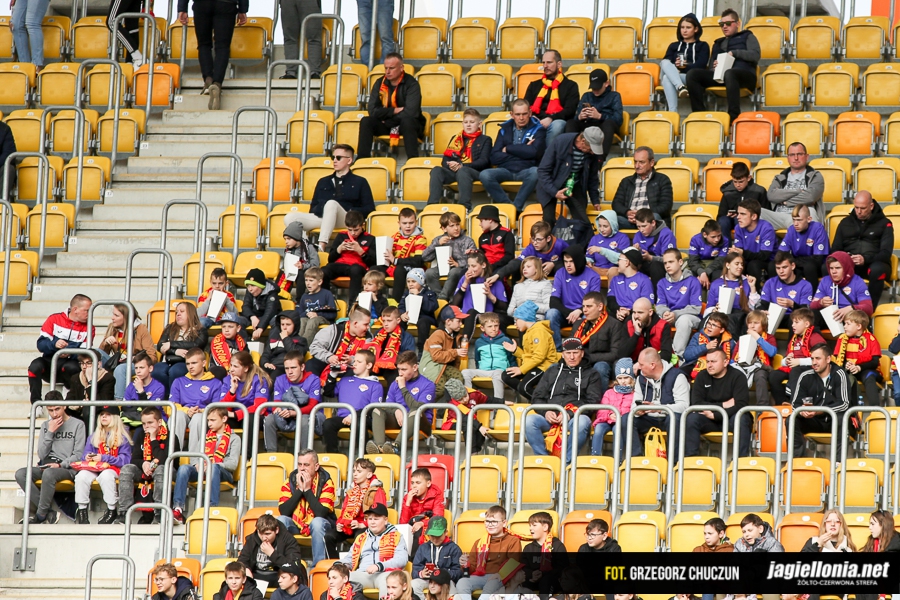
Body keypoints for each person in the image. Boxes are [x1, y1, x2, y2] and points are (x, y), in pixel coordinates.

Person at [285, 146, 376, 253]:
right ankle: (307, 249)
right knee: (290, 217)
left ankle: (321, 246)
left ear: (349, 160)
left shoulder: (360, 181)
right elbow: (313, 208)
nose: (335, 160)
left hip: (346, 219)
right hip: (324, 217)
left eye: (338, 157)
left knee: (331, 204)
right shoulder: (323, 181)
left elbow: (369, 208)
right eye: (333, 157)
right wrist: (322, 208)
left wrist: (352, 211)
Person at [525, 338, 599, 465]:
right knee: (529, 421)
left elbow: (593, 401)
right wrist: (545, 412)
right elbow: (537, 397)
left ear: (582, 353)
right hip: (550, 418)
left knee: (582, 422)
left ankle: (566, 463)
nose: (572, 357)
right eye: (568, 353)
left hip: (573, 417)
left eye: (575, 353)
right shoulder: (552, 371)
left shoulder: (592, 374)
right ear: (563, 354)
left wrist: (569, 414)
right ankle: (546, 462)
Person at [15, 395, 86, 524]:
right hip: (48, 465)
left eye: (57, 409)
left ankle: (41, 515)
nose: (54, 414)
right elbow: (42, 454)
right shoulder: (46, 425)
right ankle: (48, 512)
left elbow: (78, 455)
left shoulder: (78, 424)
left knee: (49, 473)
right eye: (50, 410)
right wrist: (50, 432)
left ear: (64, 406)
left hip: (67, 468)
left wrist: (60, 465)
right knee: (21, 474)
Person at [685, 8, 760, 122]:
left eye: (728, 23)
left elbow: (755, 55)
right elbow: (711, 66)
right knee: (692, 74)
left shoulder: (747, 36)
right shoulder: (718, 43)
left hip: (745, 75)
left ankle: (733, 117)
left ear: (737, 24)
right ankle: (699, 113)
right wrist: (714, 66)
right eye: (722, 24)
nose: (724, 27)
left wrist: (734, 53)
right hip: (722, 76)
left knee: (730, 73)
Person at [172, 407, 240, 523]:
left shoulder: (235, 438)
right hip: (203, 469)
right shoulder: (206, 436)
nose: (209, 424)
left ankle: (211, 507)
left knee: (213, 467)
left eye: (213, 420)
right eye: (208, 420)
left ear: (224, 419)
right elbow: (196, 455)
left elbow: (233, 464)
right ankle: (178, 509)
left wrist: (210, 464)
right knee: (183, 469)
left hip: (223, 472)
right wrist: (197, 464)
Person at [177, 0, 247, 111]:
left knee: (203, 45)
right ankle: (217, 83)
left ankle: (208, 78)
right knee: (223, 47)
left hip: (202, 4)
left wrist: (182, 8)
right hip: (226, 4)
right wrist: (243, 9)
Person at [479, 99, 547, 212]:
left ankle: (516, 207)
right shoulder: (503, 130)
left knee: (536, 172)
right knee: (485, 175)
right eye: (518, 114)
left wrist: (508, 149)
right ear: (512, 114)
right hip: (505, 170)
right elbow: (494, 157)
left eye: (524, 114)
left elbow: (535, 153)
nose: (521, 118)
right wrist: (523, 150)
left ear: (530, 113)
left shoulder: (538, 129)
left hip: (526, 170)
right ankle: (509, 207)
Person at [114, 406, 177, 524]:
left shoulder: (171, 437)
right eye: (144, 423)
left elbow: (165, 460)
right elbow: (134, 459)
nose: (146, 426)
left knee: (161, 469)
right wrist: (143, 464)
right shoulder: (141, 435)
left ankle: (160, 513)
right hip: (145, 470)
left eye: (150, 423)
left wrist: (153, 440)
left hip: (167, 470)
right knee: (127, 469)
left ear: (159, 422)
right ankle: (124, 513)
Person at [684, 348, 752, 457]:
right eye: (708, 362)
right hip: (709, 419)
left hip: (730, 418)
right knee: (691, 419)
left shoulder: (738, 376)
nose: (709, 365)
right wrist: (723, 405)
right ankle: (691, 459)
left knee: (741, 418)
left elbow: (741, 405)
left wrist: (716, 415)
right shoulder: (702, 376)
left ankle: (740, 461)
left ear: (725, 362)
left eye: (714, 361)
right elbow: (696, 403)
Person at [831, 190, 893, 307]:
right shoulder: (845, 222)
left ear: (871, 206)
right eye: (856, 207)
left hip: (873, 264)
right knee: (827, 267)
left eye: (863, 208)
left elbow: (885, 253)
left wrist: (865, 259)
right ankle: (835, 307)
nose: (859, 211)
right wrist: (845, 259)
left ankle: (868, 309)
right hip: (849, 265)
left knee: (877, 269)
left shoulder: (885, 223)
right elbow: (835, 249)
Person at [791, 344, 852, 460]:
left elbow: (844, 403)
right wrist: (802, 411)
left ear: (828, 359)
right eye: (812, 359)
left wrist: (819, 411)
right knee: (792, 419)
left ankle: (838, 463)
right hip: (813, 421)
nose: (814, 362)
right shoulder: (805, 376)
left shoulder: (839, 374)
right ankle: (797, 460)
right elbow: (795, 404)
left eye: (818, 358)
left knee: (841, 418)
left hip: (833, 421)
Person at [359, 53, 425, 159]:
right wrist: (394, 111)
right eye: (386, 68)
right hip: (386, 125)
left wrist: (388, 120)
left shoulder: (412, 84)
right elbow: (372, 110)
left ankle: (413, 160)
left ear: (401, 68)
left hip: (406, 125)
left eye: (392, 68)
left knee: (408, 121)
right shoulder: (379, 83)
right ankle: (362, 159)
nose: (388, 72)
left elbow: (411, 112)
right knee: (366, 121)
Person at [277, 449, 336, 566]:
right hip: (297, 523)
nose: (302, 468)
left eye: (306, 465)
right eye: (300, 464)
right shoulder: (290, 480)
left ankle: (318, 566)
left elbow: (321, 513)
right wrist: (300, 490)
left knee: (317, 522)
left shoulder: (326, 481)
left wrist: (308, 490)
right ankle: (282, 565)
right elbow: (284, 511)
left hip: (321, 524)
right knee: (280, 520)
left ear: (316, 466)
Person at [74, 405, 132, 525]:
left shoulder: (122, 437)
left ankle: (111, 510)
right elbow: (84, 456)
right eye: (101, 414)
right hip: (94, 467)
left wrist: (104, 458)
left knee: (106, 475)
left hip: (113, 468)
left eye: (108, 414)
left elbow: (125, 460)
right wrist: (88, 457)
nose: (104, 417)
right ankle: (82, 511)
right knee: (81, 476)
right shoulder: (93, 436)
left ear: (115, 417)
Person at [30, 295, 93, 403]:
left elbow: (84, 353)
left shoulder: (90, 327)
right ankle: (36, 404)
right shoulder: (54, 319)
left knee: (72, 367)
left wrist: (69, 352)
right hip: (50, 363)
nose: (90, 314)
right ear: (75, 309)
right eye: (87, 310)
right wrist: (54, 345)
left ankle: (69, 395)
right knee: (34, 367)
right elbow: (41, 345)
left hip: (69, 367)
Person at [629, 348, 689, 458]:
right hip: (648, 418)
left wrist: (659, 408)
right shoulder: (641, 378)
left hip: (668, 418)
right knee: (627, 419)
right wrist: (638, 411)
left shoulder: (677, 376)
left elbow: (684, 406)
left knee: (674, 418)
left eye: (641, 365)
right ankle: (636, 459)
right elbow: (633, 406)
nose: (639, 367)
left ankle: (674, 462)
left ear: (652, 365)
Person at [536, 128, 603, 225]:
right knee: (548, 219)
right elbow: (543, 170)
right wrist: (554, 192)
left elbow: (592, 177)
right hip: (551, 182)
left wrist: (595, 200)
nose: (593, 152)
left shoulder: (592, 153)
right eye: (591, 149)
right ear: (583, 141)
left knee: (581, 220)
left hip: (575, 184)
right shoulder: (560, 142)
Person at [428, 109, 491, 211]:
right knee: (436, 170)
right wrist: (451, 165)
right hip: (456, 171)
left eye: (472, 122)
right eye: (466, 122)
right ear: (462, 124)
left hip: (476, 172)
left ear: (479, 124)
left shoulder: (485, 139)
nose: (468, 125)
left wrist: (462, 166)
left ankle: (464, 207)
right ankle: (432, 206)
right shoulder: (455, 138)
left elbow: (484, 161)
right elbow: (444, 160)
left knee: (463, 171)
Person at [372, 350, 435, 453]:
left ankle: (396, 446)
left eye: (404, 369)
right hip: (399, 420)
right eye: (399, 369)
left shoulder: (428, 385)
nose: (400, 373)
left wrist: (403, 387)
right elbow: (388, 405)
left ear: (415, 367)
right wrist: (396, 410)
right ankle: (380, 447)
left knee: (415, 412)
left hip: (421, 423)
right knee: (377, 411)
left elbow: (418, 407)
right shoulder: (395, 383)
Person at [455, 505, 522, 600]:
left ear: (504, 523)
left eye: (494, 521)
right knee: (462, 582)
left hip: (501, 577)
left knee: (492, 583)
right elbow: (472, 569)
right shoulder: (479, 542)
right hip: (480, 576)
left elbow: (513, 563)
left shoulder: (513, 541)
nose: (490, 524)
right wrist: (466, 564)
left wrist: (500, 574)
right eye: (487, 521)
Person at [342, 502, 409, 596]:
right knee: (340, 578)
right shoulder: (361, 537)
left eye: (376, 519)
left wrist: (379, 566)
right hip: (363, 574)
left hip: (385, 573)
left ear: (385, 520)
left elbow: (402, 559)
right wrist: (339, 566)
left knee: (388, 582)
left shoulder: (397, 536)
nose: (372, 522)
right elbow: (349, 558)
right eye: (370, 519)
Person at [322, 350, 383, 452]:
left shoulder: (376, 385)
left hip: (362, 417)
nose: (354, 364)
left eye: (359, 362)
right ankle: (333, 455)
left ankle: (364, 455)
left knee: (358, 423)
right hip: (343, 417)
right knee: (328, 424)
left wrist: (352, 416)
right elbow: (328, 393)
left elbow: (373, 408)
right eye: (354, 361)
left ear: (368, 365)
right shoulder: (345, 380)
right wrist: (332, 375)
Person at [97, 302, 157, 404]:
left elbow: (152, 356)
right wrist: (106, 343)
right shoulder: (112, 327)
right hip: (118, 361)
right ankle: (93, 395)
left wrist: (136, 358)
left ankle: (119, 402)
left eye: (116, 315)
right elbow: (102, 354)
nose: (112, 318)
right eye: (113, 314)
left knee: (120, 369)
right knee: (95, 354)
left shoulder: (141, 329)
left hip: (134, 363)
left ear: (126, 317)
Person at [326, 457, 386, 558]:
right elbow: (344, 512)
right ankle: (335, 563)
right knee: (328, 536)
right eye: (354, 471)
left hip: (366, 526)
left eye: (359, 471)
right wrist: (340, 523)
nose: (355, 474)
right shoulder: (351, 492)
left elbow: (380, 514)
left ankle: (356, 564)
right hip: (349, 525)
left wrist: (362, 524)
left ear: (369, 475)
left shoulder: (376, 491)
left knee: (360, 536)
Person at [500, 301, 558, 401]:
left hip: (543, 367)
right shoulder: (528, 332)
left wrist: (521, 370)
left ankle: (546, 404)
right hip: (533, 365)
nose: (515, 324)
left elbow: (539, 357)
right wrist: (516, 350)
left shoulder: (539, 331)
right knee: (507, 375)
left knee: (524, 387)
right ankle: (539, 397)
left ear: (524, 318)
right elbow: (530, 356)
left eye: (516, 320)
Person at [546, 246, 602, 350]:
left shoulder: (593, 276)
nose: (568, 265)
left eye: (571, 261)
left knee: (589, 316)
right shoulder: (560, 273)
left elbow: (594, 302)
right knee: (551, 314)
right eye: (565, 261)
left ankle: (581, 351)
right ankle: (558, 351)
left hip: (583, 313)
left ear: (579, 260)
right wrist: (570, 314)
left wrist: (580, 311)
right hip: (565, 314)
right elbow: (553, 301)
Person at [168, 347, 223, 452]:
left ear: (204, 363)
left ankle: (195, 459)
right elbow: (171, 407)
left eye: (194, 363)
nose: (190, 367)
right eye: (188, 364)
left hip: (203, 415)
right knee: (177, 416)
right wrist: (187, 411)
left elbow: (216, 409)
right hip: (184, 413)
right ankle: (173, 457)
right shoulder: (179, 381)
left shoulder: (215, 383)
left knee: (198, 418)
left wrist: (201, 411)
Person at [264, 352, 321, 452]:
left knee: (304, 420)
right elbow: (276, 404)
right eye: (287, 368)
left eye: (293, 368)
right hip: (286, 415)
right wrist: (278, 409)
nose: (290, 372)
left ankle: (304, 454)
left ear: (302, 367)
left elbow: (312, 406)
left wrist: (294, 412)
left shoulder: (313, 379)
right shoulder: (280, 379)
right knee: (269, 419)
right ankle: (271, 454)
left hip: (308, 416)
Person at [768, 307, 825, 406]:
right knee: (773, 375)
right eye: (792, 322)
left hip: (810, 369)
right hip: (792, 368)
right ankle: (782, 403)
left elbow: (821, 359)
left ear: (806, 324)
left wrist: (799, 362)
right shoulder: (794, 338)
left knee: (795, 371)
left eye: (796, 322)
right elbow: (784, 360)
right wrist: (786, 360)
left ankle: (796, 403)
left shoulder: (815, 337)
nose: (792, 325)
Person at [565, 68, 623, 162]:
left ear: (606, 83)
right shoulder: (587, 96)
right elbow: (576, 117)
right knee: (571, 123)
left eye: (598, 87)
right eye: (593, 88)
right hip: (588, 124)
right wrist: (580, 117)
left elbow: (618, 119)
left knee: (608, 124)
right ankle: (570, 155)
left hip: (605, 125)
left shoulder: (614, 96)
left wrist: (600, 116)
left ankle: (600, 159)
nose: (595, 90)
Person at [763, 142, 826, 228]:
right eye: (792, 155)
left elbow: (810, 197)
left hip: (802, 217)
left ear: (807, 156)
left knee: (811, 212)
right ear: (788, 158)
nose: (796, 158)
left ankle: (809, 238)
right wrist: (798, 191)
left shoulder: (815, 176)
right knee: (754, 212)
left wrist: (785, 202)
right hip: (780, 216)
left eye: (799, 154)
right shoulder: (780, 177)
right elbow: (771, 195)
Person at [524, 50, 580, 145]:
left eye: (549, 62)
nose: (545, 66)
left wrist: (551, 118)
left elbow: (570, 110)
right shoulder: (534, 85)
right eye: (543, 62)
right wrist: (537, 118)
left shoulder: (570, 86)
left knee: (557, 125)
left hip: (557, 121)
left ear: (559, 64)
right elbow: (526, 105)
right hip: (536, 119)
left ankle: (548, 153)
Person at [611, 147, 674, 230]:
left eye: (641, 162)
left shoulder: (662, 180)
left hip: (650, 220)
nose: (637, 166)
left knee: (655, 217)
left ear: (651, 163)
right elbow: (616, 204)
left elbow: (665, 206)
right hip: (629, 220)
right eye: (635, 162)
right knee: (608, 219)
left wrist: (642, 215)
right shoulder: (626, 181)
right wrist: (627, 212)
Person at [572, 292, 625, 391]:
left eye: (589, 306)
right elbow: (569, 346)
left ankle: (599, 400)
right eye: (583, 306)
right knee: (554, 366)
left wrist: (588, 357)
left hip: (602, 363)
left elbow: (615, 354)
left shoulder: (614, 325)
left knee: (600, 367)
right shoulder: (578, 325)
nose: (584, 310)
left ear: (600, 307)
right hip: (580, 361)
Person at [307, 306, 372, 387]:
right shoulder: (333, 330)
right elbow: (314, 347)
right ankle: (313, 391)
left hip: (350, 368)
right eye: (366, 324)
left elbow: (369, 357)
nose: (368, 327)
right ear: (355, 323)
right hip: (328, 363)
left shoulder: (368, 337)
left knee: (359, 370)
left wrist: (352, 360)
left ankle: (340, 392)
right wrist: (329, 357)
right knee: (311, 364)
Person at [655, 248, 703, 359]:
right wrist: (665, 313)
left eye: (671, 262)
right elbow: (660, 305)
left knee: (683, 320)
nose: (667, 266)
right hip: (669, 316)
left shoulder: (693, 281)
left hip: (690, 317)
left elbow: (696, 308)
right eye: (665, 263)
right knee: (653, 318)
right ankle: (657, 355)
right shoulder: (662, 283)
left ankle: (677, 357)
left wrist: (675, 314)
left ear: (680, 262)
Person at [321, 211, 377, 303]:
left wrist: (360, 251)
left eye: (356, 230)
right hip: (341, 264)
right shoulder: (341, 236)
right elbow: (330, 259)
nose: (353, 233)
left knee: (355, 269)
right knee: (323, 271)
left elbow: (373, 262)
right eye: (350, 230)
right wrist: (339, 250)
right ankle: (327, 303)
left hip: (359, 266)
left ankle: (352, 304)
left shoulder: (370, 238)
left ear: (362, 225)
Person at [451, 252, 510, 339]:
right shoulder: (464, 279)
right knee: (468, 312)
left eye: (473, 266)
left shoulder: (493, 281)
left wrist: (490, 295)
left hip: (487, 316)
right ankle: (463, 343)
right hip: (466, 316)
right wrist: (465, 283)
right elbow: (454, 304)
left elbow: (504, 307)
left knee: (475, 313)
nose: (470, 269)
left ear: (483, 265)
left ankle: (466, 342)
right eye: (469, 266)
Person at [659, 14, 710, 111]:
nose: (684, 30)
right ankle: (680, 86)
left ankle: (673, 112)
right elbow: (666, 65)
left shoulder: (703, 45)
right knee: (665, 62)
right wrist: (676, 65)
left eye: (688, 27)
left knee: (667, 78)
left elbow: (701, 65)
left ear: (696, 29)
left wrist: (684, 67)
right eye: (682, 27)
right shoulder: (673, 46)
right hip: (675, 76)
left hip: (691, 78)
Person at [154, 302, 208, 393]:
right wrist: (175, 351)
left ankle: (175, 397)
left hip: (186, 362)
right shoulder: (170, 327)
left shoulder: (200, 330)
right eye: (176, 312)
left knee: (176, 370)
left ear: (190, 313)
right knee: (157, 370)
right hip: (168, 360)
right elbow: (160, 345)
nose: (178, 314)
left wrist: (171, 344)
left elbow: (196, 345)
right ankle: (164, 397)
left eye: (182, 311)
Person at [831, 310, 882, 406]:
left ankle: (875, 409)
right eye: (844, 324)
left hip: (867, 370)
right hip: (849, 371)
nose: (844, 326)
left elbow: (874, 362)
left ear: (858, 326)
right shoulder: (842, 339)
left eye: (848, 324)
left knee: (869, 377)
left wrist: (859, 367)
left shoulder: (871, 339)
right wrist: (846, 364)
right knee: (846, 377)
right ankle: (850, 408)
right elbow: (838, 359)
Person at [238, 513, 304, 587]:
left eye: (267, 534)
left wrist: (272, 554)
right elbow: (242, 561)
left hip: (279, 577)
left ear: (276, 530)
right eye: (260, 533)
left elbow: (294, 566)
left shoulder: (288, 540)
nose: (264, 538)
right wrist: (246, 570)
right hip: (257, 576)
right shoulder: (252, 539)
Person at [492, 220, 568, 284]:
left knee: (562, 267)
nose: (535, 243)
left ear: (548, 239)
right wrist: (498, 274)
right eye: (533, 239)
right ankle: (516, 293)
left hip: (555, 271)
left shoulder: (560, 245)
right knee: (519, 268)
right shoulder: (531, 248)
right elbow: (516, 262)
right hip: (536, 272)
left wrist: (554, 264)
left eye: (539, 239)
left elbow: (572, 260)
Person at [422, 211, 476, 301]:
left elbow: (474, 260)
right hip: (442, 268)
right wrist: (437, 244)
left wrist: (458, 264)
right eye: (452, 226)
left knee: (454, 272)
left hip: (459, 268)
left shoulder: (467, 240)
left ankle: (442, 298)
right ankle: (439, 297)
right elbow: (425, 257)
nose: (456, 228)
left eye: (457, 224)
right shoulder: (439, 240)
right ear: (444, 228)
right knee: (429, 273)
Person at [811, 251, 874, 326]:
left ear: (846, 268)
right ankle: (816, 334)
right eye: (831, 268)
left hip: (850, 318)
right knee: (811, 316)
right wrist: (821, 302)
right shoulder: (825, 280)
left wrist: (850, 308)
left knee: (855, 320)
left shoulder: (858, 282)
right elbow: (812, 305)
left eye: (838, 268)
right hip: (831, 316)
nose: (833, 271)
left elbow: (868, 308)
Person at [462, 312, 516, 399]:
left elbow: (511, 358)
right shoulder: (479, 342)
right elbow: (477, 359)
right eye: (490, 326)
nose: (494, 329)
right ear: (482, 328)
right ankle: (469, 398)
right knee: (465, 372)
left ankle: (498, 402)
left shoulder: (505, 340)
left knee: (498, 374)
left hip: (500, 371)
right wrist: (480, 368)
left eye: (496, 326)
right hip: (484, 371)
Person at [776, 205, 830, 289]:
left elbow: (817, 259)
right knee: (777, 264)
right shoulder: (791, 229)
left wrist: (793, 261)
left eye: (799, 220)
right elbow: (781, 254)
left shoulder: (818, 228)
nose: (795, 224)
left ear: (809, 219)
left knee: (809, 266)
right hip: (798, 264)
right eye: (794, 220)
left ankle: (813, 295)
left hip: (816, 266)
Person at [420, 304, 467, 399]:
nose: (461, 324)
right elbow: (436, 356)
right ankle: (422, 405)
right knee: (440, 388)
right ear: (448, 321)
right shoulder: (437, 334)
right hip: (433, 366)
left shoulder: (457, 336)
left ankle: (450, 406)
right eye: (458, 321)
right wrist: (455, 352)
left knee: (458, 380)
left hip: (445, 366)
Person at [760, 251, 814, 331]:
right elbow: (763, 304)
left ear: (793, 266)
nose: (781, 271)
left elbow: (806, 312)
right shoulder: (770, 283)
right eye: (778, 268)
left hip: (792, 317)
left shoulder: (805, 285)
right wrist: (761, 312)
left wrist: (792, 304)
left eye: (784, 267)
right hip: (773, 317)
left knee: (794, 320)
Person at [591, 358, 633, 458]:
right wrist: (609, 415)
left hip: (620, 422)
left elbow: (631, 410)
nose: (623, 381)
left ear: (631, 378)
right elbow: (601, 410)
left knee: (617, 430)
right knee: (599, 429)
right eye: (620, 378)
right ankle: (595, 457)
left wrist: (620, 416)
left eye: (626, 378)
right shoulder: (609, 392)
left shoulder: (634, 394)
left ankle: (617, 459)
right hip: (606, 420)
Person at [220, 350, 271, 432]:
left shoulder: (259, 380)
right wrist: (232, 391)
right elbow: (222, 408)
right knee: (219, 420)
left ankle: (249, 442)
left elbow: (260, 408)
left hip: (253, 418)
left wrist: (236, 414)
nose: (231, 369)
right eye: (231, 365)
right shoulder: (227, 380)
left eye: (235, 366)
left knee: (250, 419)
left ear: (246, 368)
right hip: (235, 417)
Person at [411, 515, 463, 596]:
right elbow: (415, 569)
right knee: (414, 584)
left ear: (446, 532)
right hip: (427, 580)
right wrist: (421, 573)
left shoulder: (454, 548)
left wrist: (443, 574)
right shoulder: (423, 548)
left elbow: (458, 572)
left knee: (451, 589)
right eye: (432, 536)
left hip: (446, 581)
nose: (435, 539)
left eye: (438, 536)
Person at [400, 468, 445, 555]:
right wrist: (408, 503)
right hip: (412, 530)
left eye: (418, 483)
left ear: (428, 483)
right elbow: (403, 524)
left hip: (427, 529)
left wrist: (422, 523)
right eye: (412, 483)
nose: (414, 486)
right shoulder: (408, 497)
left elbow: (438, 518)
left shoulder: (436, 495)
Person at [717, 162, 769, 236]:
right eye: (735, 182)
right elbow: (720, 215)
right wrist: (727, 214)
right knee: (723, 221)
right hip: (731, 221)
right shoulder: (728, 192)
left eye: (741, 182)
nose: (737, 185)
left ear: (749, 178)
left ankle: (743, 243)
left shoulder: (759, 191)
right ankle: (725, 243)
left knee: (739, 219)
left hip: (752, 220)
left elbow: (766, 212)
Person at [521, 511, 567, 594]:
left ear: (545, 527)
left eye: (534, 525)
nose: (530, 528)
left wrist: (542, 574)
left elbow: (562, 568)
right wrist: (532, 574)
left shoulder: (557, 545)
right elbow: (523, 568)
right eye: (530, 525)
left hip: (551, 582)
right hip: (532, 580)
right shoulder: (528, 548)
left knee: (546, 580)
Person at [731, 199, 776, 281]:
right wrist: (735, 251)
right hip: (747, 260)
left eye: (742, 214)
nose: (738, 217)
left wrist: (743, 253)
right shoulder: (738, 227)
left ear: (754, 216)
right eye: (738, 213)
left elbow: (765, 256)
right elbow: (739, 251)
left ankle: (758, 289)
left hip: (767, 262)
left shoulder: (766, 228)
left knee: (753, 265)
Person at [683, 312, 737, 380]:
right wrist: (705, 347)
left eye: (713, 325)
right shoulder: (698, 336)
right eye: (708, 323)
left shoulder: (730, 342)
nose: (709, 327)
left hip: (718, 372)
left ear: (721, 330)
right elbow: (687, 355)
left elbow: (732, 360)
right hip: (695, 366)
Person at [632, 207, 678, 287]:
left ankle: (657, 294)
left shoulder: (666, 234)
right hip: (644, 265)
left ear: (653, 223)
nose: (641, 230)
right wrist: (636, 252)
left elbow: (669, 259)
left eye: (644, 226)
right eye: (638, 226)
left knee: (656, 266)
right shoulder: (638, 235)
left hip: (662, 266)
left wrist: (650, 258)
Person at [66, 351, 116, 423]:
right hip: (78, 413)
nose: (84, 367)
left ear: (98, 364)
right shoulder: (76, 378)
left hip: (99, 414)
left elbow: (101, 402)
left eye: (88, 363)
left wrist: (90, 381)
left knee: (88, 408)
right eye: (82, 363)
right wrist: (80, 405)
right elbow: (69, 399)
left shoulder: (108, 378)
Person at [276, 218, 320, 299]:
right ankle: (279, 295)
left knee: (301, 274)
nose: (286, 242)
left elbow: (315, 264)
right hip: (293, 271)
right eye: (285, 239)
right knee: (282, 272)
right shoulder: (288, 249)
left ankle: (300, 300)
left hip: (306, 271)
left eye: (289, 239)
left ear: (296, 238)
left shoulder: (309, 247)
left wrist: (303, 266)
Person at [741, 310, 777, 406]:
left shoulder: (769, 337)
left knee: (760, 374)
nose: (752, 326)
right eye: (750, 323)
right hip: (746, 368)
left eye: (756, 323)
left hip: (764, 368)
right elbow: (733, 358)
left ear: (764, 326)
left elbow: (772, 352)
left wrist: (757, 338)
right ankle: (738, 405)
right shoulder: (743, 338)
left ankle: (762, 407)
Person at [608, 249, 655, 323]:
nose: (617, 262)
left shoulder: (644, 280)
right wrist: (618, 310)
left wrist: (629, 312)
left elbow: (646, 304)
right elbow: (610, 299)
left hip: (635, 316)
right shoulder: (615, 279)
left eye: (619, 259)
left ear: (627, 263)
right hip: (617, 313)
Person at [398, 269, 440, 352]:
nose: (410, 284)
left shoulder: (429, 293)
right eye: (408, 281)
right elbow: (401, 306)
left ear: (421, 282)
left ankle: (422, 350)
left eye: (413, 281)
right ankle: (399, 345)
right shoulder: (406, 293)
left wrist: (420, 296)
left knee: (422, 322)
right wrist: (402, 314)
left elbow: (431, 308)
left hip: (425, 318)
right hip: (409, 317)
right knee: (399, 321)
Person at [623, 297, 674, 364]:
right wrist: (636, 333)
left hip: (655, 365)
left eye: (640, 312)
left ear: (650, 312)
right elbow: (622, 354)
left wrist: (643, 364)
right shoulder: (629, 325)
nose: (636, 316)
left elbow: (666, 355)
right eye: (634, 312)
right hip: (634, 365)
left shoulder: (663, 326)